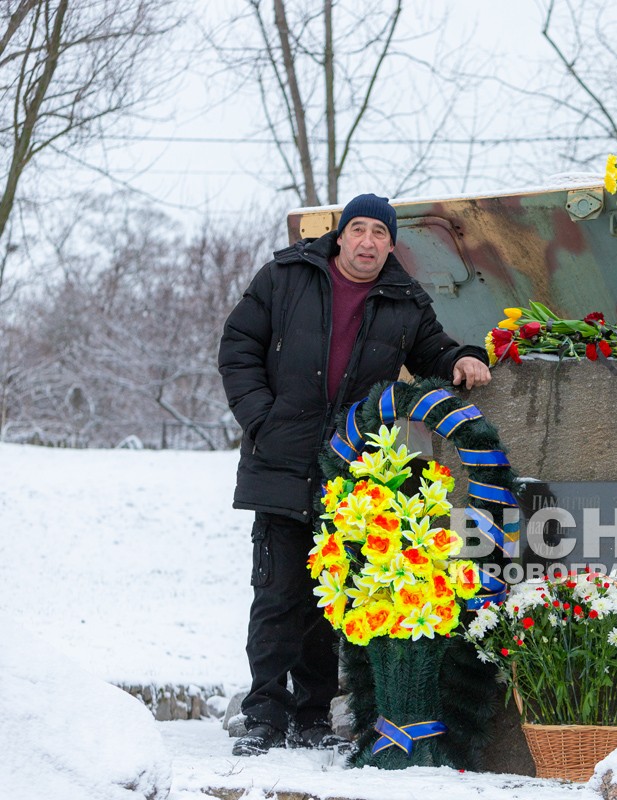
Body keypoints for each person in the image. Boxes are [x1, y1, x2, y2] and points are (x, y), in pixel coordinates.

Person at [218, 193, 490, 756]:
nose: (367, 242)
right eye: (358, 230)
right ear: (340, 235)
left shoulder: (402, 298)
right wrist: (261, 419)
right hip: (280, 459)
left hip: (349, 471)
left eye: (379, 234)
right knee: (276, 593)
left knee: (330, 597)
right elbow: (237, 345)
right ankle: (264, 713)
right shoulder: (285, 275)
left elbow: (433, 349)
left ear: (392, 244)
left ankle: (313, 714)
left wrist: (462, 356)